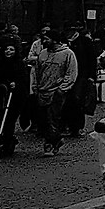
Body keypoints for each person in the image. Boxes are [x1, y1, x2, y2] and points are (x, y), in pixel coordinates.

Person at [29, 28, 78, 156]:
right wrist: (35, 86)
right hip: (42, 91)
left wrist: (62, 89)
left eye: (46, 39)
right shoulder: (43, 54)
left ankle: (49, 144)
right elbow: (37, 72)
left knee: (52, 119)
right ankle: (57, 140)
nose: (44, 41)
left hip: (56, 91)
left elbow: (71, 73)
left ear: (55, 40)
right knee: (43, 120)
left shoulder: (68, 54)